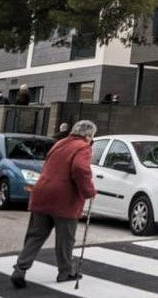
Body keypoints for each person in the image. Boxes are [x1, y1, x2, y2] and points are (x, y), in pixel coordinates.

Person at [10, 120, 97, 289]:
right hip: (64, 199)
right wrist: (89, 191)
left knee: (35, 236)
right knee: (65, 239)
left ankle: (19, 270)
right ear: (88, 136)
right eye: (93, 137)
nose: (92, 140)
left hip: (42, 193)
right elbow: (80, 169)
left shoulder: (59, 144)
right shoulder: (83, 147)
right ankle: (65, 272)